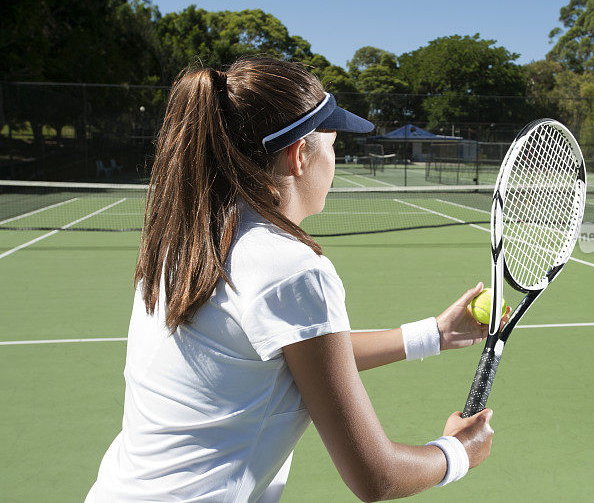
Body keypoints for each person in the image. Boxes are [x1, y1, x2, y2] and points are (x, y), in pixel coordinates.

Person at [86, 56, 496, 502]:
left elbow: (299, 352)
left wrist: (433, 334)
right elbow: (375, 476)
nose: (336, 161)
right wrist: (459, 451)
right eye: (333, 144)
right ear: (300, 155)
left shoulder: (186, 242)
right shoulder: (292, 268)